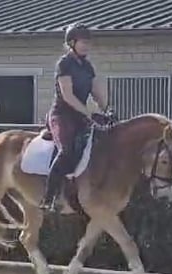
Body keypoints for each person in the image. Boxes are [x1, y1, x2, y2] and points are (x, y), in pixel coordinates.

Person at [40, 22, 110, 211]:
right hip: (62, 115)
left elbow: (96, 92)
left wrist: (107, 109)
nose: (87, 46)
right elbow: (68, 96)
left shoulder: (87, 67)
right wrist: (88, 112)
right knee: (67, 151)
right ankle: (49, 197)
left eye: (88, 42)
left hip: (80, 115)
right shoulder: (64, 64)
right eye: (83, 42)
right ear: (72, 43)